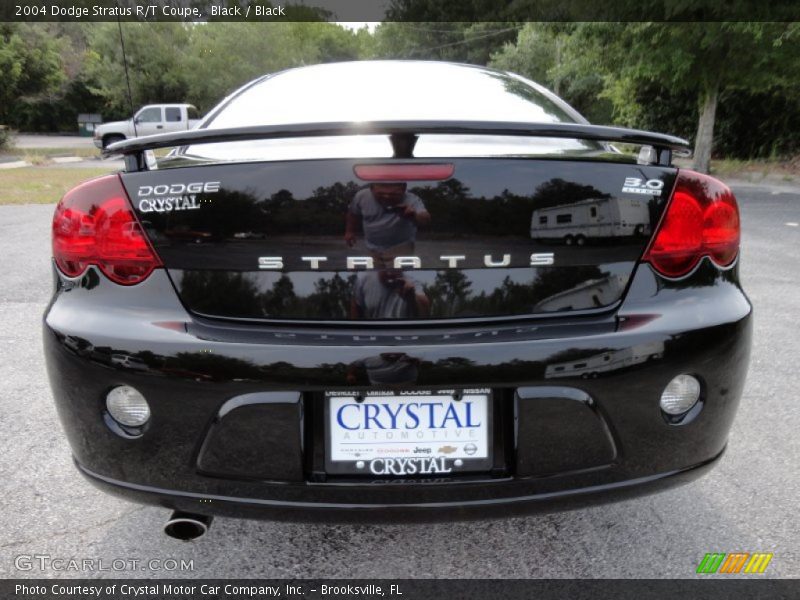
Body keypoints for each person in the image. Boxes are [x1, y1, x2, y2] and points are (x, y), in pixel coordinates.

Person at [344, 182, 431, 253]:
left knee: (398, 274)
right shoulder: (361, 196)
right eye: (381, 194)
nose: (387, 197)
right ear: (371, 189)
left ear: (404, 189)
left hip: (401, 247)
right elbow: (353, 213)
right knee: (373, 274)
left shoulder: (411, 199)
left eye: (393, 194)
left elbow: (425, 219)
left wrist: (414, 215)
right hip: (371, 247)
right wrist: (349, 231)